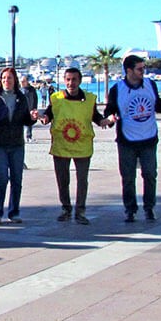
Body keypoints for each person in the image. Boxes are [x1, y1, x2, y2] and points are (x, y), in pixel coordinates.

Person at [103, 55, 161, 223]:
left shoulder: (150, 84)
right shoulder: (117, 89)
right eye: (139, 69)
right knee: (128, 177)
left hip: (148, 139)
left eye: (143, 68)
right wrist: (110, 118)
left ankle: (149, 208)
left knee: (150, 174)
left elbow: (158, 106)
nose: (143, 72)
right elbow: (109, 110)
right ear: (129, 70)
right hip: (127, 141)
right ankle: (130, 210)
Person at [37, 67, 108, 223]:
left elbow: (96, 117)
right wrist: (42, 118)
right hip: (61, 146)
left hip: (82, 146)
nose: (71, 83)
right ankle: (66, 208)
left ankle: (80, 211)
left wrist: (106, 121)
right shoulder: (56, 98)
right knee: (62, 180)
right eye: (68, 79)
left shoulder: (89, 99)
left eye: (74, 79)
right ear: (64, 80)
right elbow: (48, 115)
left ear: (80, 81)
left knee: (82, 180)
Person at [0, 66, 35, 224]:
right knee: (2, 177)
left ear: (15, 80)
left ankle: (14, 212)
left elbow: (26, 120)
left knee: (17, 179)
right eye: (4, 78)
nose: (6, 81)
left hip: (16, 143)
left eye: (9, 78)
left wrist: (33, 118)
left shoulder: (21, 97)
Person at [20, 75, 39, 142]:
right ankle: (23, 137)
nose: (22, 83)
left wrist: (34, 108)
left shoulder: (32, 89)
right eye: (21, 81)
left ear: (27, 81)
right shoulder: (20, 90)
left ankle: (29, 136)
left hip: (30, 109)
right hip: (22, 110)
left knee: (30, 123)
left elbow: (35, 99)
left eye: (23, 81)